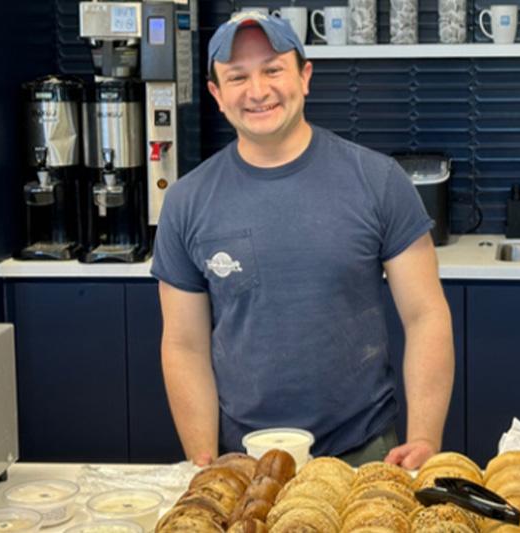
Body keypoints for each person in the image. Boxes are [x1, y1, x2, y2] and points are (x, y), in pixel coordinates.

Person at [151, 11, 454, 470]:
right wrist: (202, 457)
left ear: (304, 76)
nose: (258, 91)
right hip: (244, 460)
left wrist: (426, 438)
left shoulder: (378, 180)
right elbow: (183, 344)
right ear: (216, 93)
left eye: (273, 69)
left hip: (367, 455)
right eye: (238, 77)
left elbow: (425, 314)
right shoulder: (187, 202)